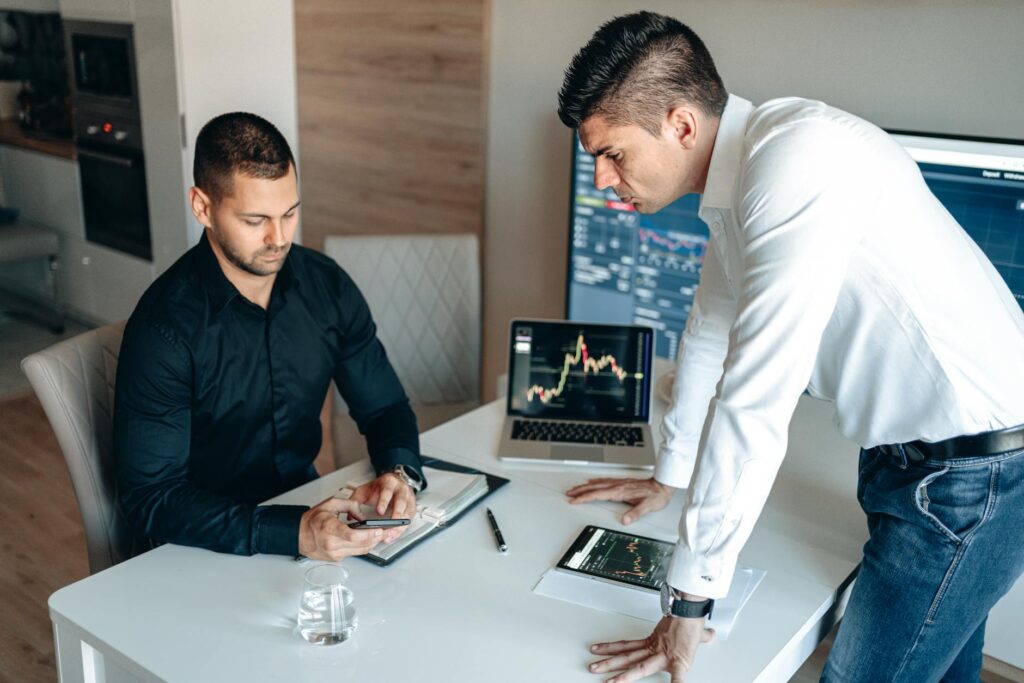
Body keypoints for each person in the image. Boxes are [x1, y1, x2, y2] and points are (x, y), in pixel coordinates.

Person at [558, 11, 1024, 683]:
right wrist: (672, 473)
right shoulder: (745, 175)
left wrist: (689, 596)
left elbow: (756, 397)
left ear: (681, 125)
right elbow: (710, 332)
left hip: (974, 477)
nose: (603, 179)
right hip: (929, 463)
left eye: (614, 154)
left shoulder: (794, 163)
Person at [114, 112, 427, 564]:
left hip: (305, 516)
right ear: (203, 206)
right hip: (196, 547)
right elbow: (152, 497)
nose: (278, 238)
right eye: (255, 219)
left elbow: (385, 407)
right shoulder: (163, 329)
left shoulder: (327, 288)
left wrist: (399, 474)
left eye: (290, 212)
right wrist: (291, 532)